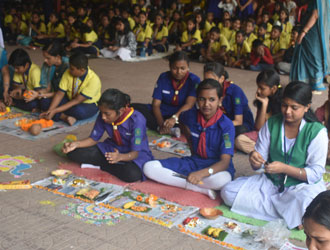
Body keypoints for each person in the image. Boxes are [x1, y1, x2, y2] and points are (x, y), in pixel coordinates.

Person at [221, 81, 327, 229]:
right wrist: (255, 159)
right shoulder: (272, 124)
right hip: (272, 183)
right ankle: (292, 216)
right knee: (228, 192)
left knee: (309, 202)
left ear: (307, 107)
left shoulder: (317, 132)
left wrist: (285, 168)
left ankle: (292, 213)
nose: (287, 111)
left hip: (301, 187)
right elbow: (258, 165)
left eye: (294, 107)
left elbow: (315, 174)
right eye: (284, 105)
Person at [144, 79, 235, 199]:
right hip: (194, 162)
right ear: (197, 99)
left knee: (222, 180)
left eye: (212, 100)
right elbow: (181, 119)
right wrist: (190, 141)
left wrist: (202, 173)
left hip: (215, 167)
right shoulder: (191, 115)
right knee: (149, 167)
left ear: (220, 101)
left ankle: (191, 181)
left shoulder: (226, 125)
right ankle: (197, 188)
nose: (206, 104)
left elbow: (224, 162)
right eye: (202, 99)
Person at [62, 89, 153, 183]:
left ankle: (103, 164)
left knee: (132, 174)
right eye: (101, 112)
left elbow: (135, 153)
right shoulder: (103, 115)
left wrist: (120, 157)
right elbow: (93, 139)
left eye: (107, 114)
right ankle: (112, 164)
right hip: (112, 148)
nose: (103, 117)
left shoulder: (137, 120)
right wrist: (76, 144)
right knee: (73, 153)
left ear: (121, 111)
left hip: (135, 153)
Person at [131, 51, 200, 136]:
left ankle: (169, 127)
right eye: (175, 68)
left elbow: (189, 104)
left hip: (181, 114)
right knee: (132, 108)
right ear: (170, 67)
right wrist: (161, 124)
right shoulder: (163, 77)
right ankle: (164, 128)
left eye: (183, 68)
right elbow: (156, 104)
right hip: (162, 112)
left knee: (195, 119)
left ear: (188, 67)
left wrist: (174, 118)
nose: (179, 72)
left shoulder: (194, 80)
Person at [40, 52, 101, 126]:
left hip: (87, 104)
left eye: (72, 69)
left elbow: (77, 101)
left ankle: (58, 114)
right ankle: (64, 117)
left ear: (81, 70)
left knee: (79, 111)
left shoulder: (94, 80)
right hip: (70, 99)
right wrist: (50, 110)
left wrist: (55, 110)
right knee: (44, 101)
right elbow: (60, 94)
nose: (69, 70)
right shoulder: (68, 72)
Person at [235, 70, 282, 153]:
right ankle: (271, 151)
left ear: (273, 88)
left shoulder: (283, 102)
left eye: (262, 88)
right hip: (264, 135)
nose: (258, 91)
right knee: (239, 140)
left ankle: (270, 150)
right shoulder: (263, 99)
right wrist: (264, 104)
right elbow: (258, 128)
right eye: (258, 87)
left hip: (279, 137)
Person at [204, 62, 254, 137]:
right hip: (221, 121)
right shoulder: (208, 90)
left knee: (232, 132)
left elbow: (238, 121)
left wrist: (217, 124)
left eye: (212, 80)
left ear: (222, 79)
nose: (208, 84)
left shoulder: (235, 91)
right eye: (206, 80)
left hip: (240, 124)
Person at [290, 0, 330, 92]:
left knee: (311, 56)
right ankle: (313, 83)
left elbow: (316, 14)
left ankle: (308, 82)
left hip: (312, 31)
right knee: (314, 57)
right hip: (320, 31)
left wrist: (304, 31)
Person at [0, 47, 13, 111]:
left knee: (11, 69)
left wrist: (6, 91)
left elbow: (5, 72)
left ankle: (3, 96)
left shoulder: (0, 52)